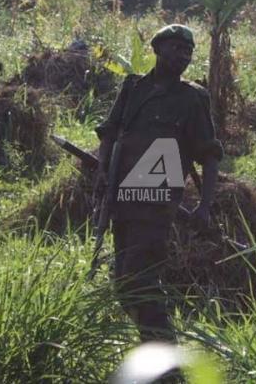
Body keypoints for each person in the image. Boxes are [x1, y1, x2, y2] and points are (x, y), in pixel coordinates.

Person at [94, 24, 223, 343]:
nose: (185, 56)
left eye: (189, 52)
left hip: (156, 206)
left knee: (141, 282)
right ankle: (156, 354)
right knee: (125, 285)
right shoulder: (133, 88)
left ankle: (167, 366)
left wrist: (204, 207)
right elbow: (111, 133)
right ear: (157, 49)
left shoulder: (192, 99)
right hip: (122, 202)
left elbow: (209, 156)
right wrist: (102, 176)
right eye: (178, 48)